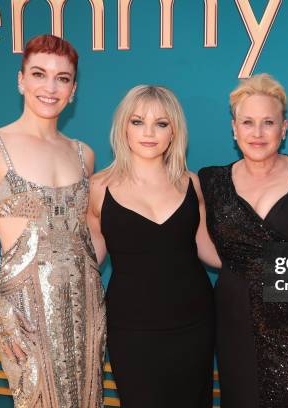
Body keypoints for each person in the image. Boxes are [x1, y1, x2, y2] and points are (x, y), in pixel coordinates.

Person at [0, 34, 106, 407]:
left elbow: (88, 236)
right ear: (21, 80)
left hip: (86, 311)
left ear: (73, 89)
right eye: (39, 74)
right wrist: (2, 314)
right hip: (26, 314)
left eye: (62, 78)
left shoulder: (84, 154)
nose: (50, 87)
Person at [198, 74, 288, 407]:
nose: (257, 133)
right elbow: (208, 249)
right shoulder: (211, 181)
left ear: (284, 128)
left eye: (268, 122)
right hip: (233, 317)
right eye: (248, 122)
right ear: (234, 128)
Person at [87, 85, 220, 408]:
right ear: (123, 128)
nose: (149, 133)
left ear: (174, 131)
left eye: (161, 123)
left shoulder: (192, 183)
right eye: (138, 122)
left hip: (195, 325)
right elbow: (87, 262)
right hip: (132, 331)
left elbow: (211, 252)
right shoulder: (98, 188)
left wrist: (274, 253)